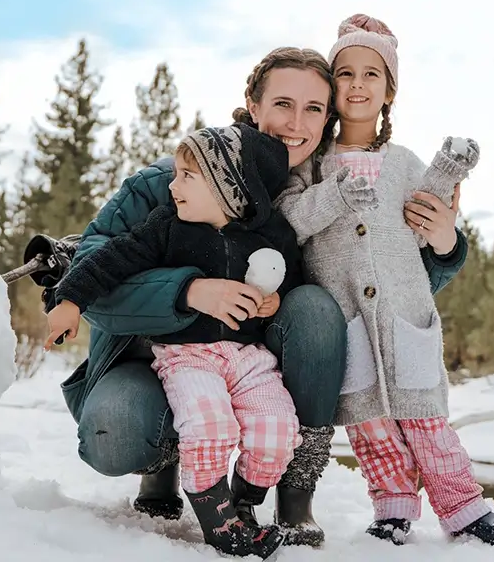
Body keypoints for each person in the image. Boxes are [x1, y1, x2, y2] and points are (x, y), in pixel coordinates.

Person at [57, 46, 468, 548]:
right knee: (116, 431)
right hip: (152, 358)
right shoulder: (174, 180)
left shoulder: (327, 190)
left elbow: (384, 289)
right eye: (282, 104)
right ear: (253, 106)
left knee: (317, 309)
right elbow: (88, 272)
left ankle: (295, 494)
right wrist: (188, 290)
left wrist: (445, 246)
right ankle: (162, 461)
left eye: (314, 108)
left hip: (254, 361)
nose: (297, 122)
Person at [275, 14, 494, 547]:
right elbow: (289, 220)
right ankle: (392, 508)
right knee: (370, 425)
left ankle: (464, 509)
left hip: (405, 313)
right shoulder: (311, 166)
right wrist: (337, 193)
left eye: (372, 74)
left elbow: (432, 220)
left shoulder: (404, 162)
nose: (358, 85)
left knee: (426, 417)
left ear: (390, 91)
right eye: (346, 73)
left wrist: (449, 178)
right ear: (331, 85)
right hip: (346, 317)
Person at [45, 124, 302, 558]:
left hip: (247, 357)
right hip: (188, 356)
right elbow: (112, 259)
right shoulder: (167, 227)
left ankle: (243, 499)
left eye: (187, 176)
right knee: (208, 426)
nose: (173, 184)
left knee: (277, 428)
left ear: (229, 187)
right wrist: (70, 299)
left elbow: (292, 273)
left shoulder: (268, 234)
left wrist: (273, 302)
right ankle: (219, 522)